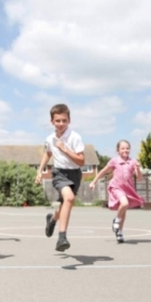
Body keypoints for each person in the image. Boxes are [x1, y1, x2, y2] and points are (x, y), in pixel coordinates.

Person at [35, 104, 85, 252]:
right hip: (59, 173)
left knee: (65, 204)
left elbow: (81, 161)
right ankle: (62, 237)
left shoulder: (75, 137)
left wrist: (65, 149)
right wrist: (39, 171)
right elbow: (48, 153)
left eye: (64, 120)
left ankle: (52, 220)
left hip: (75, 174)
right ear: (52, 122)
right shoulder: (50, 138)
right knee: (69, 198)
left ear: (69, 120)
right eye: (58, 121)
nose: (61, 124)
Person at [89, 140, 144, 243]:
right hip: (116, 187)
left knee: (123, 210)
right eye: (123, 148)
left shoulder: (133, 161)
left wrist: (138, 168)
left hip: (127, 188)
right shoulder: (115, 161)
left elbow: (140, 177)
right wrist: (93, 181)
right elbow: (103, 171)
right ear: (118, 150)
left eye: (127, 148)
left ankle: (120, 232)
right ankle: (116, 220)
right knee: (125, 203)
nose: (125, 150)